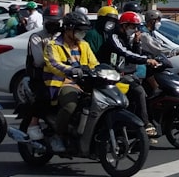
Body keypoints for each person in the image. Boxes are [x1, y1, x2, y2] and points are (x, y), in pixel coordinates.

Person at [43, 11, 100, 152]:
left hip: (83, 83)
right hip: (63, 82)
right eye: (79, 30)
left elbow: (94, 63)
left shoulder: (84, 45)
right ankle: (58, 135)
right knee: (70, 105)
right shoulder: (53, 45)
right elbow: (53, 64)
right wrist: (71, 70)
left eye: (83, 31)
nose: (82, 34)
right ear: (68, 29)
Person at [98, 11, 159, 136]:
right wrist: (146, 60)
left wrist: (137, 42)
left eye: (136, 27)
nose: (135, 30)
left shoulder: (127, 37)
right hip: (109, 76)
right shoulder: (114, 37)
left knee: (140, 91)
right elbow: (126, 53)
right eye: (132, 27)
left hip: (123, 74)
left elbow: (133, 55)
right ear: (124, 26)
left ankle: (144, 122)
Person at [24, 14, 63, 141]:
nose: (53, 24)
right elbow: (40, 61)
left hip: (60, 74)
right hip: (40, 76)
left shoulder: (62, 36)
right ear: (45, 21)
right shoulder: (37, 37)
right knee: (46, 95)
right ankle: (33, 124)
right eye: (50, 21)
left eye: (56, 21)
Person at [139, 9, 179, 96]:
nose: (159, 23)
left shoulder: (152, 32)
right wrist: (176, 51)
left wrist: (176, 49)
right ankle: (155, 88)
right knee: (150, 68)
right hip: (143, 61)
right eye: (158, 20)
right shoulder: (144, 35)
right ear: (152, 21)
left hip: (151, 57)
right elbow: (158, 49)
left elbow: (162, 44)